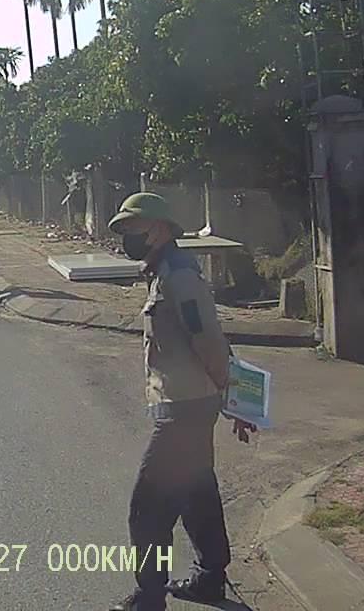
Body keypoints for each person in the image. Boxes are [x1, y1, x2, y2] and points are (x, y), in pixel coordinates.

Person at [106, 192, 252, 611]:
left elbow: (208, 339)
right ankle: (210, 578)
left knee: (148, 508)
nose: (127, 236)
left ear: (159, 229)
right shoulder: (162, 272)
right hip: (188, 404)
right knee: (197, 494)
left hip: (185, 411)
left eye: (133, 227)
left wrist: (234, 397)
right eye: (124, 229)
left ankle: (149, 598)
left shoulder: (178, 276)